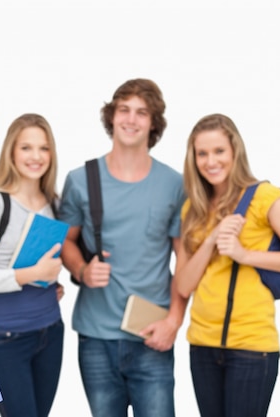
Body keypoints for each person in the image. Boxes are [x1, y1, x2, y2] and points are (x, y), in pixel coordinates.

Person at [174, 113, 280, 417]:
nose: (210, 161)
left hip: (252, 348)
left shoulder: (264, 197)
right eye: (202, 153)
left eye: (219, 151)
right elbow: (184, 284)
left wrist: (244, 255)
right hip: (202, 345)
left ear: (235, 152)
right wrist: (213, 237)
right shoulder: (192, 208)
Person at [58, 78, 188, 417]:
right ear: (111, 116)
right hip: (95, 338)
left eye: (141, 112)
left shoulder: (175, 184)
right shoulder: (81, 178)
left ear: (154, 122)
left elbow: (184, 262)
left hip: (151, 333)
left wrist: (174, 322)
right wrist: (82, 270)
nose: (131, 119)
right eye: (124, 110)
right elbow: (66, 242)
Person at [0, 113, 65, 417]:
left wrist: (49, 281)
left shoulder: (55, 201)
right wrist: (31, 275)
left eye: (44, 148)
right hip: (5, 339)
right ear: (11, 151)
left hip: (50, 331)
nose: (36, 156)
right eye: (26, 147)